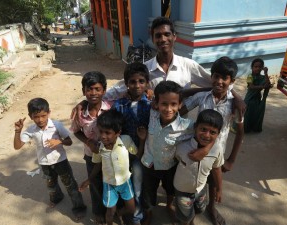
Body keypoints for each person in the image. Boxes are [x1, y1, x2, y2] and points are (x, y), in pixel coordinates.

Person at [103, 16, 245, 121]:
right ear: (153, 39)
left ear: (174, 37)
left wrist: (237, 97)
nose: (163, 39)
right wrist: (90, 101)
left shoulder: (188, 65)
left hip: (181, 128)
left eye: (167, 34)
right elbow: (121, 87)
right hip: (153, 127)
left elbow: (214, 82)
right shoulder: (145, 69)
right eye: (158, 36)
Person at [180, 56, 244, 225]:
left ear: (232, 81)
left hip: (218, 154)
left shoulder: (235, 104)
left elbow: (240, 133)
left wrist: (231, 160)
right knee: (195, 178)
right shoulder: (203, 97)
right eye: (216, 76)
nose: (219, 81)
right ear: (211, 76)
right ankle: (190, 207)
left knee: (213, 181)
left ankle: (211, 208)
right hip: (195, 149)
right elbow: (180, 108)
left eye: (225, 78)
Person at [140, 81, 213, 225]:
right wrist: (147, 91)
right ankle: (148, 212)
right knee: (148, 191)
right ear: (157, 104)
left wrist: (206, 149)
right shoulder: (152, 114)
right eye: (164, 104)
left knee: (170, 189)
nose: (168, 109)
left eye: (173, 104)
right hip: (149, 163)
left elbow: (208, 134)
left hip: (170, 165)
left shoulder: (187, 126)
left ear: (180, 105)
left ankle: (169, 205)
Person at [13, 98, 86, 220]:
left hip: (60, 161)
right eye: (36, 117)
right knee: (51, 185)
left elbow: (69, 141)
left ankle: (79, 207)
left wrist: (59, 141)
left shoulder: (56, 125)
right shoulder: (31, 130)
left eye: (43, 115)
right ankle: (57, 198)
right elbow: (17, 146)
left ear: (49, 113)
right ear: (30, 116)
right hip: (44, 164)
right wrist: (17, 131)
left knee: (71, 185)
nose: (40, 120)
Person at [79, 109, 147, 225]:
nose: (103, 136)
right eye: (100, 132)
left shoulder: (125, 141)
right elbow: (97, 164)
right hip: (109, 185)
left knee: (131, 209)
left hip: (125, 183)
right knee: (110, 211)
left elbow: (137, 156)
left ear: (118, 132)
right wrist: (89, 179)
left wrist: (142, 140)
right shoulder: (99, 147)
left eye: (107, 132)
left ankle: (119, 214)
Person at [111, 62, 151, 225]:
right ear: (126, 83)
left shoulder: (151, 105)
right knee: (122, 183)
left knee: (139, 186)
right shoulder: (119, 105)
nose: (137, 85)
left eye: (141, 81)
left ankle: (136, 217)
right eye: (132, 82)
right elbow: (112, 128)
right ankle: (123, 210)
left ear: (147, 83)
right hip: (123, 154)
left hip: (143, 154)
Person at [70, 71, 111, 224]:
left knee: (111, 181)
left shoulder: (111, 107)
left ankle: (112, 209)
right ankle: (98, 211)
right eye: (89, 89)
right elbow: (76, 131)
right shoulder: (80, 114)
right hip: (91, 155)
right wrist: (88, 141)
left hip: (111, 154)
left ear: (104, 90)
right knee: (95, 183)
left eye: (97, 89)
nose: (93, 93)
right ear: (83, 91)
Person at [174, 109, 224, 225]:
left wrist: (219, 189)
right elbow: (175, 159)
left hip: (201, 188)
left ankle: (191, 220)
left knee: (199, 209)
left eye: (212, 132)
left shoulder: (217, 150)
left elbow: (217, 169)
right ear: (195, 127)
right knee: (185, 216)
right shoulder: (182, 146)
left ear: (218, 134)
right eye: (203, 129)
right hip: (182, 189)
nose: (206, 135)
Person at [243, 58, 272, 133]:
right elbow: (251, 87)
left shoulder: (262, 77)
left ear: (262, 68)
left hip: (257, 98)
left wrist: (266, 73)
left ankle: (253, 127)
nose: (257, 68)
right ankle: (245, 129)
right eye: (255, 67)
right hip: (249, 99)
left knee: (255, 113)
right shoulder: (250, 76)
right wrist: (262, 87)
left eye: (259, 67)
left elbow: (268, 84)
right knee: (247, 114)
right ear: (252, 67)